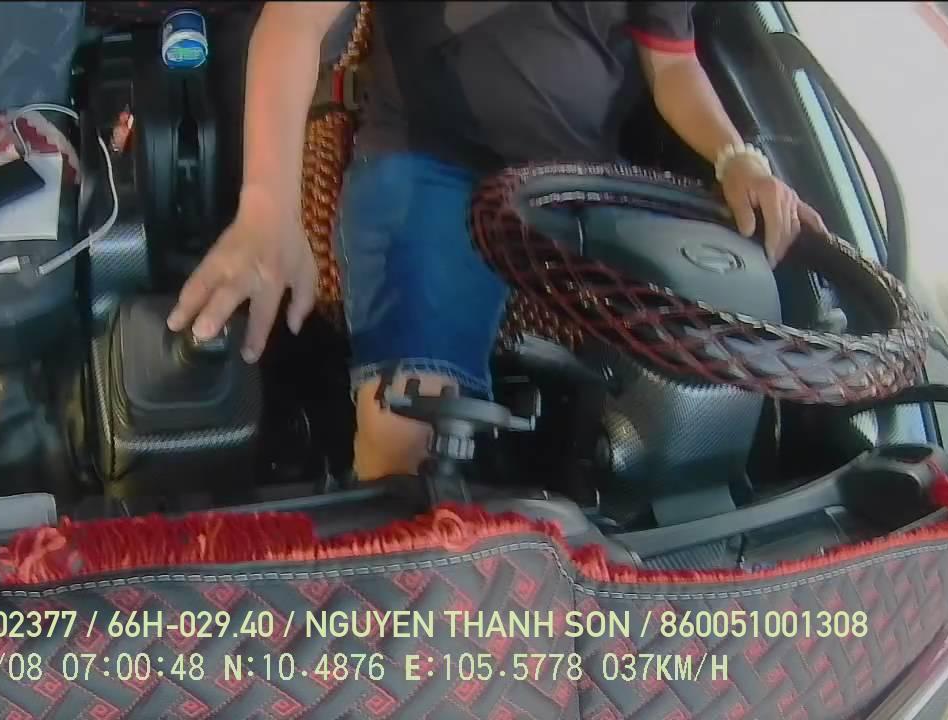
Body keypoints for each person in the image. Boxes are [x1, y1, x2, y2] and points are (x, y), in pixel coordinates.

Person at [166, 2, 827, 481]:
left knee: (696, 411)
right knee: (406, 434)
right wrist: (266, 209)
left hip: (582, 186)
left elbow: (672, 63)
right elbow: (293, 21)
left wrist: (737, 158)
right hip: (433, 166)